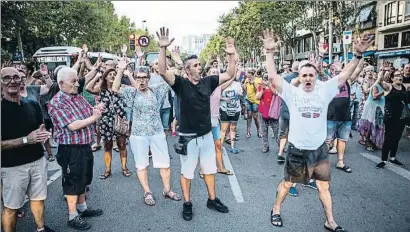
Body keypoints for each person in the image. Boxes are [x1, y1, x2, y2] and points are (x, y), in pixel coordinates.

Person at [262, 28, 373, 231]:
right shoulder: (292, 92)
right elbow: (273, 76)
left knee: (323, 186)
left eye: (311, 75)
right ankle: (276, 209)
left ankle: (330, 221)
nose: (307, 78)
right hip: (297, 149)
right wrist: (269, 52)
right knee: (287, 184)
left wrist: (358, 55)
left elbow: (345, 74)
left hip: (319, 150)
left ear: (316, 76)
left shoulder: (325, 89)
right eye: (304, 75)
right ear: (299, 76)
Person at [156, 27, 236, 221]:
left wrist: (232, 55)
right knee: (187, 173)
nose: (199, 67)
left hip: (207, 136)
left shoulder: (208, 81)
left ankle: (212, 199)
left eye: (200, 64)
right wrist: (163, 49)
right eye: (195, 65)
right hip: (188, 138)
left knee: (210, 170)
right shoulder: (181, 84)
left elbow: (230, 74)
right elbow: (162, 70)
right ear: (187, 69)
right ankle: (187, 203)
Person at [48, 67, 104, 230]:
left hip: (84, 146)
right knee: (73, 182)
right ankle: (72, 216)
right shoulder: (57, 102)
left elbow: (89, 112)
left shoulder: (77, 97)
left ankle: (82, 208)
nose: (77, 84)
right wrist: (94, 117)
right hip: (71, 149)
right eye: (74, 81)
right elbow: (73, 126)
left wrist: (97, 109)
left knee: (84, 178)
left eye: (77, 80)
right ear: (61, 83)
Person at [1, 67, 55, 232]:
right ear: (1, 83)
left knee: (38, 199)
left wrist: (44, 134)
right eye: (7, 78)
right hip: (13, 167)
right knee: (12, 207)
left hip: (37, 161)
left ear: (22, 80)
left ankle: (40, 229)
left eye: (16, 77)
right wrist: (26, 140)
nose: (13, 81)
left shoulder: (32, 103)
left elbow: (40, 129)